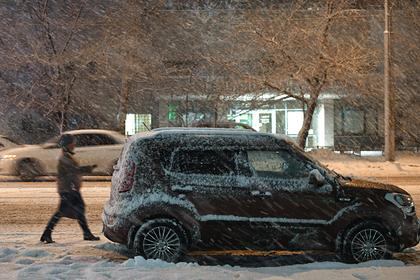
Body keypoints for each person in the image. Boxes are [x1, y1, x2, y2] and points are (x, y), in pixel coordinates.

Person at [40, 134, 100, 243]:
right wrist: (88, 168)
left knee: (78, 210)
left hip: (69, 188)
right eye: (72, 142)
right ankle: (47, 234)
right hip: (68, 189)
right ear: (67, 145)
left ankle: (86, 233)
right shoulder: (64, 158)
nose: (74, 144)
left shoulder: (66, 156)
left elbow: (73, 170)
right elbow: (73, 170)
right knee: (64, 211)